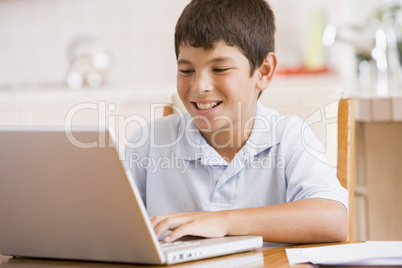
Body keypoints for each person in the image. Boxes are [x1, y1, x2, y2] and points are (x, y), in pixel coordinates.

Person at [125, 0, 348, 244]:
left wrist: (224, 221)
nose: (199, 87)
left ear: (263, 72)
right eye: (187, 71)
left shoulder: (288, 137)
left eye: (220, 69)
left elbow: (334, 219)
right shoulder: (149, 143)